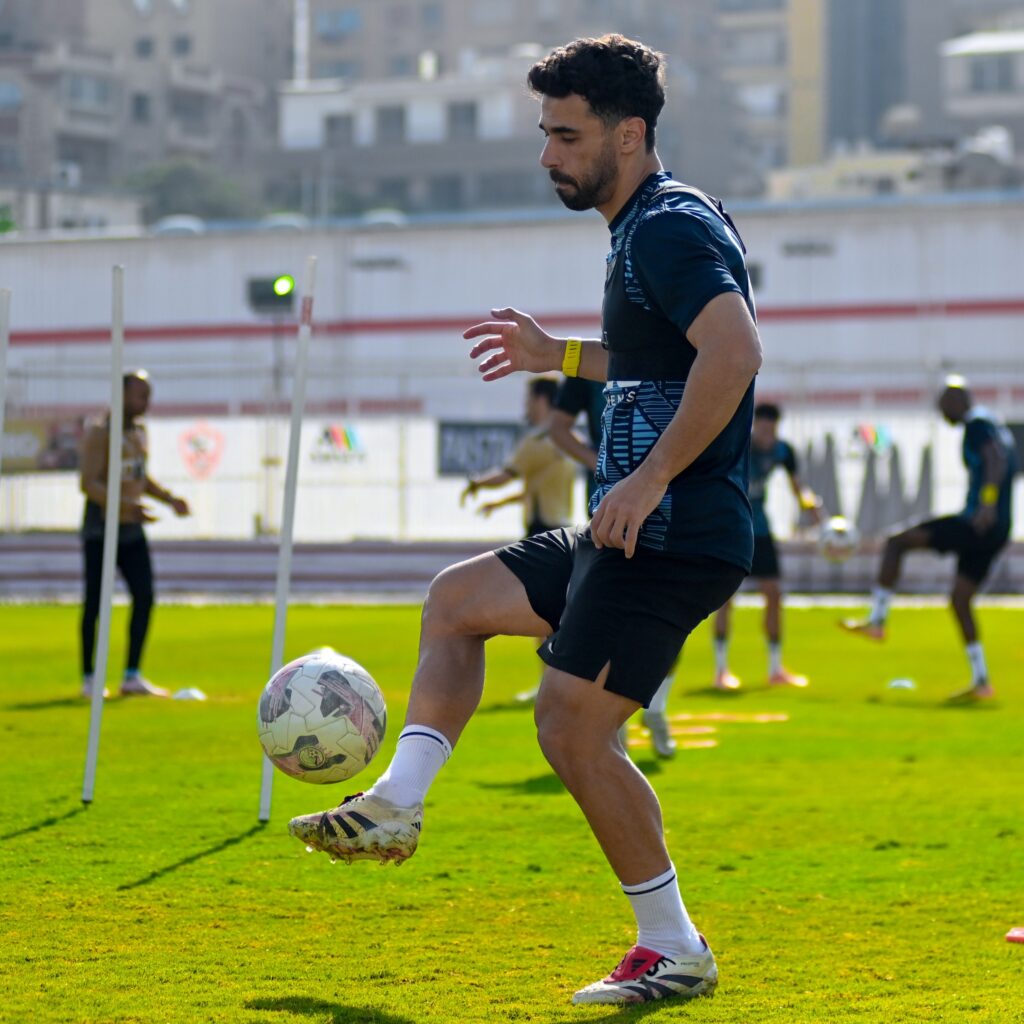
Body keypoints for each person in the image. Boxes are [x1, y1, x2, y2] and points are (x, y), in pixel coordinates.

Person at [289, 35, 762, 1006]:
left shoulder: (669, 227)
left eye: (565, 135)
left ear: (629, 135)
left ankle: (672, 945)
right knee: (458, 601)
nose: (548, 154)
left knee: (571, 730)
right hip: (627, 524)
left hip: (670, 532)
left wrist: (650, 477)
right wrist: (562, 355)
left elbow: (733, 351)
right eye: (545, 134)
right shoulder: (642, 228)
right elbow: (660, 364)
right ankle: (396, 806)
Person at [841, 376, 1016, 702]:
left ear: (957, 400)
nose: (940, 412)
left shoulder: (977, 423)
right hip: (997, 529)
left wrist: (988, 502)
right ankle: (981, 682)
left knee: (897, 542)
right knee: (961, 599)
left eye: (942, 404)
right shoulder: (992, 422)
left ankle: (877, 620)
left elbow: (996, 460)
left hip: (977, 522)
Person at [549, 374, 678, 756]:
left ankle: (655, 705)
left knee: (668, 613)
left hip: (671, 502)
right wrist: (600, 461)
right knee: (607, 611)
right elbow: (558, 428)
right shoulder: (588, 361)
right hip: (610, 507)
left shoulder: (675, 351)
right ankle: (613, 722)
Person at [79, 371, 190, 698]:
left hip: (132, 527)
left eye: (148, 395)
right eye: (141, 395)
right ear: (122, 395)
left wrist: (169, 499)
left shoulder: (139, 433)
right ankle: (89, 678)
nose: (146, 402)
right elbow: (89, 483)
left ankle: (132, 675)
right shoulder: (101, 433)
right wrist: (127, 505)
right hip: (102, 529)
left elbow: (140, 477)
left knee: (145, 596)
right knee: (96, 602)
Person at [712, 401, 821, 690]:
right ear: (754, 425)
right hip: (729, 528)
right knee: (724, 597)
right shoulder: (737, 445)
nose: (766, 434)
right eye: (762, 427)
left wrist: (812, 507)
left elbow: (799, 487)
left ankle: (775, 668)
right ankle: (721, 670)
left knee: (773, 593)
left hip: (759, 529)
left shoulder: (782, 451)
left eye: (771, 429)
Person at [460, 377, 575, 536]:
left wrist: (476, 483)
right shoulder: (570, 440)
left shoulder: (537, 442)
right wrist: (499, 503)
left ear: (540, 400)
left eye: (528, 398)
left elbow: (505, 476)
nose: (525, 405)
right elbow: (535, 492)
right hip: (563, 527)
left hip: (540, 528)